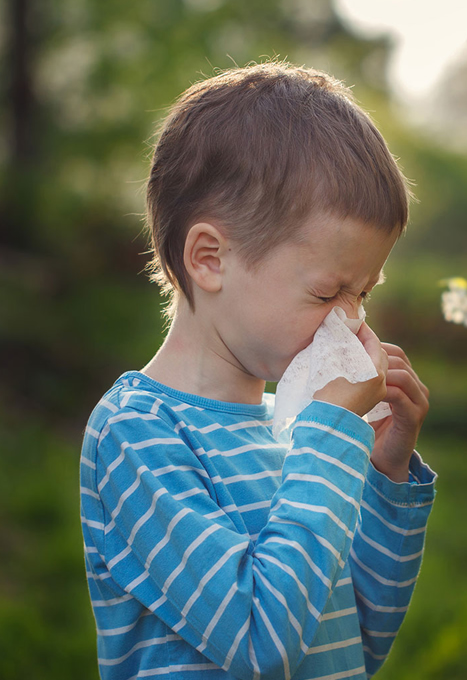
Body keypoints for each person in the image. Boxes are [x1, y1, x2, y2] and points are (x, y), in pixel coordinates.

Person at [77, 60, 436, 680]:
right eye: (327, 294)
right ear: (210, 259)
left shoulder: (295, 430)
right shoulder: (137, 435)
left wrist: (384, 471)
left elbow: (356, 643)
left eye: (364, 294)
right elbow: (261, 642)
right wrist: (328, 438)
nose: (348, 324)